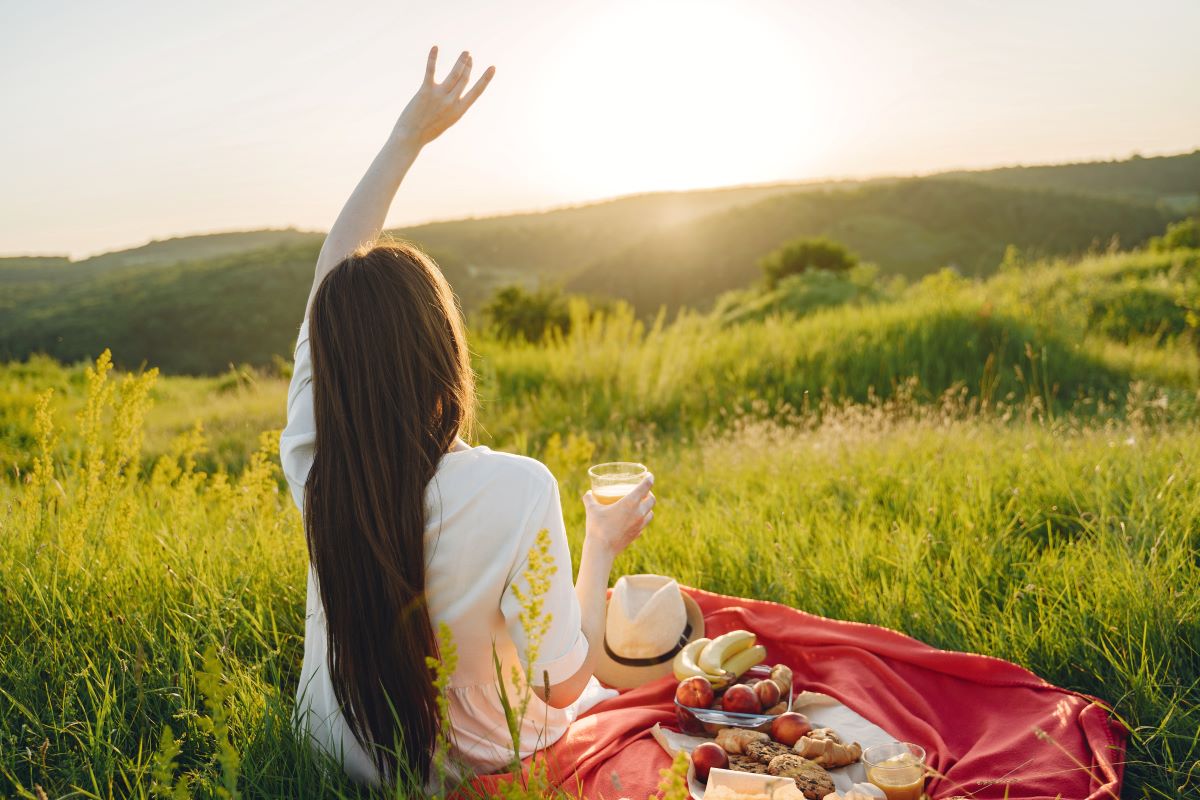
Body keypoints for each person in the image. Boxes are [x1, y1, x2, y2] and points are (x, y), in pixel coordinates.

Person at [278, 47, 656, 788]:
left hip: (331, 745)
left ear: (329, 358)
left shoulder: (315, 465)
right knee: (640, 673)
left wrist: (404, 141)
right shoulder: (515, 489)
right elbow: (561, 687)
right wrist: (601, 547)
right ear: (444, 353)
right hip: (457, 764)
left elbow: (332, 275)